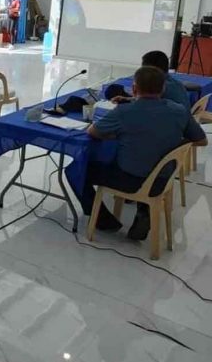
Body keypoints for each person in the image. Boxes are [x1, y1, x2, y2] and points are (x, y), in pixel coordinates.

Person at [81, 66, 207, 240]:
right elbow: (201, 140)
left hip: (132, 180)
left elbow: (93, 132)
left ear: (134, 88)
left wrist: (117, 134)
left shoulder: (124, 112)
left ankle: (104, 221)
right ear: (163, 88)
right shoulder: (179, 110)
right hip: (164, 178)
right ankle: (143, 211)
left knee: (79, 169)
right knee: (147, 155)